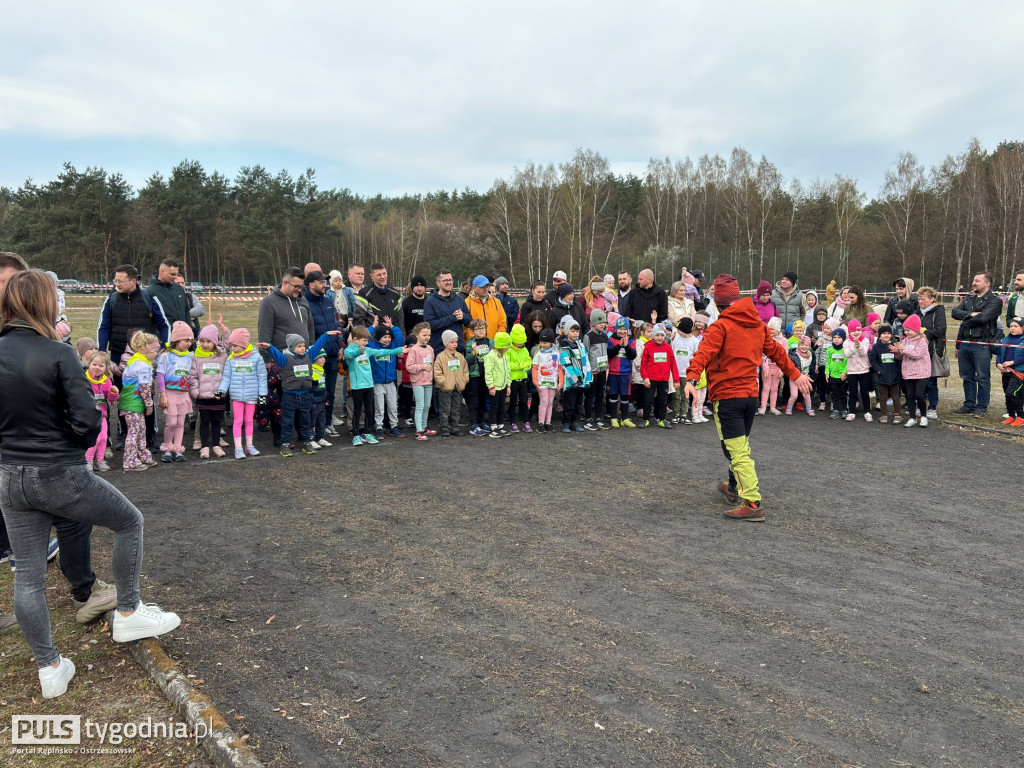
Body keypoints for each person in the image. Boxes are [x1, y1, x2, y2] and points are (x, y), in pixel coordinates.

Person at [0, 270, 180, 699]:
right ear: (45, 304)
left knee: (27, 577)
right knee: (129, 521)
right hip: (57, 469)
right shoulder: (58, 353)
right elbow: (87, 421)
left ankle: (50, 667)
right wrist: (69, 443)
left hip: (9, 474)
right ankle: (129, 610)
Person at [684, 274, 812, 521]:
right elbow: (777, 352)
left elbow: (703, 353)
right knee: (738, 444)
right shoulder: (758, 325)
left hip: (728, 397)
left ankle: (752, 502)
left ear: (718, 303)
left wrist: (690, 379)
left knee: (736, 450)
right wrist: (796, 375)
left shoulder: (720, 327)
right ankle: (733, 487)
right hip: (750, 396)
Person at [97, 264, 169, 450]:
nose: (117, 284)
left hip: (144, 357)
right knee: (123, 398)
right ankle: (125, 436)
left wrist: (162, 347)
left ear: (134, 281)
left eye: (121, 280)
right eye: (115, 280)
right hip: (119, 354)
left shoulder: (149, 298)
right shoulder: (111, 299)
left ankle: (149, 438)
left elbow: (164, 325)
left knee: (145, 395)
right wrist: (102, 350)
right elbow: (103, 326)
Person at [263, 331, 339, 457]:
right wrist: (269, 347)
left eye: (303, 345)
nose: (303, 348)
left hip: (305, 395)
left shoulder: (309, 356)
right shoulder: (284, 359)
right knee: (287, 421)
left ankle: (307, 442)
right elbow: (275, 354)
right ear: (292, 348)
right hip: (289, 396)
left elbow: (317, 346)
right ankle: (285, 444)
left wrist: (326, 335)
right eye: (299, 346)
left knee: (305, 420)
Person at [951, 271, 1002, 417]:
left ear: (987, 283)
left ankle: (981, 407)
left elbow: (983, 318)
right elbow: (954, 312)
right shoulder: (969, 299)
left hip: (982, 343)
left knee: (982, 377)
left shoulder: (995, 301)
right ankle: (969, 404)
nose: (974, 283)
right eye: (974, 280)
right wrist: (970, 314)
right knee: (966, 376)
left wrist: (966, 319)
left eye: (977, 281)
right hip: (965, 343)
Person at [344, 326, 402, 446]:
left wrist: (398, 350)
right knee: (358, 410)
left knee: (370, 410)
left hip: (369, 384)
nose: (366, 343)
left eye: (367, 340)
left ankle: (368, 432)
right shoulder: (349, 350)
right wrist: (358, 351)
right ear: (355, 339)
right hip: (357, 386)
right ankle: (356, 435)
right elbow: (350, 356)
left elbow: (382, 352)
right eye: (364, 341)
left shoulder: (367, 350)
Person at [216, 328, 268, 459]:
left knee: (249, 420)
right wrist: (221, 391)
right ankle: (238, 448)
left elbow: (262, 377)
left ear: (243, 345)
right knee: (238, 420)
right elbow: (226, 377)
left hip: (251, 396)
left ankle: (249, 446)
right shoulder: (230, 359)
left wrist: (262, 395)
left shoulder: (257, 358)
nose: (232, 348)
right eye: (231, 345)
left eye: (235, 345)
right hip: (237, 396)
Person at [303, 270, 342, 433]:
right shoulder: (304, 303)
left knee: (330, 391)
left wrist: (341, 345)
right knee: (316, 391)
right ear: (311, 285)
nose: (324, 284)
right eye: (321, 282)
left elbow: (337, 324)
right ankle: (314, 425)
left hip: (333, 355)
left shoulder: (328, 302)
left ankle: (327, 422)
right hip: (316, 357)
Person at [120, 332, 160, 471]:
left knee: (141, 430)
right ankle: (130, 462)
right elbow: (144, 388)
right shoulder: (143, 366)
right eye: (155, 350)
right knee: (134, 432)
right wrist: (149, 405)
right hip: (133, 403)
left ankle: (143, 456)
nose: (156, 353)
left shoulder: (135, 361)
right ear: (145, 348)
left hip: (133, 403)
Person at [155, 322, 195, 462]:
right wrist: (162, 394)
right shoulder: (166, 356)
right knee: (171, 422)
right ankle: (167, 447)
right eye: (186, 340)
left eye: (191, 340)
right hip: (169, 393)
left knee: (180, 423)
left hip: (183, 394)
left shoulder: (189, 357)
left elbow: (189, 376)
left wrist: (188, 395)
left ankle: (177, 449)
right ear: (176, 340)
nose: (189, 343)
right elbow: (160, 375)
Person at [189, 321, 230, 458]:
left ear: (215, 342)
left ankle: (217, 445)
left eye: (208, 341)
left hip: (218, 396)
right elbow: (193, 376)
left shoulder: (222, 355)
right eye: (202, 341)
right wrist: (196, 392)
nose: (205, 344)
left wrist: (221, 392)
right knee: (204, 422)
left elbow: (225, 375)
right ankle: (205, 446)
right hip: (203, 397)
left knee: (217, 422)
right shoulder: (196, 357)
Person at [369, 321, 404, 439]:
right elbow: (366, 339)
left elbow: (399, 338)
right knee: (379, 407)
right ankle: (379, 427)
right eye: (384, 337)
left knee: (393, 406)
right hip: (378, 382)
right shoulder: (373, 347)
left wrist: (392, 327)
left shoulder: (393, 346)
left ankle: (394, 426)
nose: (387, 339)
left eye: (389, 337)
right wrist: (373, 328)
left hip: (390, 382)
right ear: (378, 338)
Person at [557, 316, 592, 433]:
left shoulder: (581, 345)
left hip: (581, 381)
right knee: (569, 404)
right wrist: (574, 380)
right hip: (571, 382)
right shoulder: (564, 346)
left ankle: (574, 422)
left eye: (577, 331)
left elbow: (586, 362)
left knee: (578, 403)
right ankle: (565, 423)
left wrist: (587, 379)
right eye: (572, 331)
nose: (575, 333)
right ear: (567, 331)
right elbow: (566, 365)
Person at [639, 323, 678, 428]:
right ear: (653, 336)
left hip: (664, 379)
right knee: (648, 399)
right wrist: (645, 377)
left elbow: (673, 365)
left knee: (662, 400)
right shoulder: (648, 347)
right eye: (657, 335)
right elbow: (643, 365)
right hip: (650, 379)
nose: (659, 338)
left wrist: (676, 380)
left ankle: (661, 418)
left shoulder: (668, 348)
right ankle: (646, 419)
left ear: (665, 336)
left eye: (662, 335)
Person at [84, 353, 119, 472]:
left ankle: (99, 460)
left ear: (106, 368)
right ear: (89, 364)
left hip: (102, 415)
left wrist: (114, 393)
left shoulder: (107, 381)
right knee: (96, 438)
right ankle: (88, 460)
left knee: (104, 438)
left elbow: (111, 400)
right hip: (89, 415)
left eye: (101, 365)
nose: (97, 367)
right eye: (94, 364)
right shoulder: (84, 379)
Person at [424, 269, 472, 353]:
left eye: (450, 280)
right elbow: (430, 325)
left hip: (458, 349)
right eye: (445, 280)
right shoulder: (430, 302)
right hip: (440, 350)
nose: (449, 282)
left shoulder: (459, 300)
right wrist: (452, 318)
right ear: (438, 283)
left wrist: (463, 316)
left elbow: (470, 323)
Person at [896, 314, 931, 427]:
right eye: (905, 330)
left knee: (919, 395)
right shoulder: (905, 340)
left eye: (909, 330)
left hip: (921, 373)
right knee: (910, 395)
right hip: (908, 372)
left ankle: (924, 416)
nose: (906, 332)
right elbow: (903, 356)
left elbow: (917, 354)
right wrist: (897, 351)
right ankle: (912, 417)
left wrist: (903, 349)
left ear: (916, 329)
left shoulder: (922, 340)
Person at [917, 286, 947, 419]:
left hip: (932, 350)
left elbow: (940, 330)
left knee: (930, 381)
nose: (920, 302)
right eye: (919, 299)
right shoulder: (917, 312)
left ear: (932, 299)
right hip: (918, 351)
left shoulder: (938, 312)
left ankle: (932, 407)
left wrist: (925, 332)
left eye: (923, 299)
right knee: (919, 381)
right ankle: (920, 406)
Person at [433, 330, 469, 436]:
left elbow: (465, 370)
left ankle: (455, 427)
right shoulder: (441, 357)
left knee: (456, 409)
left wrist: (463, 380)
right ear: (445, 343)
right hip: (445, 389)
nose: (454, 344)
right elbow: (437, 372)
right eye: (452, 342)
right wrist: (444, 383)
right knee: (445, 410)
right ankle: (444, 428)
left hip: (458, 387)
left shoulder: (460, 356)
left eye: (456, 342)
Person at [405, 322, 436, 441]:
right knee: (420, 405)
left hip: (428, 381)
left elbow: (432, 364)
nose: (427, 337)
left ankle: (424, 426)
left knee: (427, 405)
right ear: (417, 335)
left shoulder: (430, 349)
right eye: (424, 335)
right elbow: (409, 366)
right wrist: (422, 367)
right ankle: (418, 431)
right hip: (418, 381)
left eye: (428, 335)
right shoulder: (414, 349)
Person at [355, 263, 405, 334]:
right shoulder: (364, 293)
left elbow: (400, 320)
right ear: (372, 276)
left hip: (393, 339)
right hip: (374, 340)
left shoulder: (395, 293)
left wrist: (402, 339)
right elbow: (359, 320)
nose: (383, 277)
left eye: (384, 273)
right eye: (379, 275)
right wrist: (366, 339)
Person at [482, 331, 513, 438]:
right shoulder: (491, 356)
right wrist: (491, 386)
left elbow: (507, 370)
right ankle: (493, 427)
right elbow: (488, 372)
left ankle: (500, 425)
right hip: (495, 387)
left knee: (501, 407)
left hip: (503, 386)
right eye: (507, 346)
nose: (508, 348)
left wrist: (508, 384)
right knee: (494, 407)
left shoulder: (505, 356)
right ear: (502, 345)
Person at [464, 319, 492, 436]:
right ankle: (474, 424)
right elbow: (468, 361)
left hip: (486, 375)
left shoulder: (491, 342)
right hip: (475, 375)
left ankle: (481, 422)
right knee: (474, 400)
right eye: (478, 329)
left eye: (483, 328)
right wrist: (473, 352)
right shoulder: (470, 343)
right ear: (472, 331)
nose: (481, 331)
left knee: (482, 399)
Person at [870, 325, 903, 424]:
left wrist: (898, 371)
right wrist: (878, 370)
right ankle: (883, 415)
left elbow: (900, 358)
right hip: (882, 376)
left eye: (888, 333)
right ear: (880, 335)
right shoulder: (876, 346)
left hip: (895, 375)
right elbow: (873, 359)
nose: (886, 335)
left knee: (895, 397)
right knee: (883, 397)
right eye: (884, 333)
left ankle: (897, 415)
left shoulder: (895, 345)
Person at [531, 329, 562, 433]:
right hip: (542, 382)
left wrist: (560, 382)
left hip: (552, 382)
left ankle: (548, 422)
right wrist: (535, 382)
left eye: (545, 342)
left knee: (550, 402)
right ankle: (541, 423)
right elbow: (534, 368)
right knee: (544, 402)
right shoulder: (538, 353)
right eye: (541, 342)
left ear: (551, 342)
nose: (542, 345)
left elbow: (559, 368)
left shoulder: (557, 353)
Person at [671, 317, 700, 423]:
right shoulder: (676, 339)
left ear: (685, 330)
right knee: (676, 394)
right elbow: (672, 353)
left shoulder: (694, 341)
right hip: (676, 372)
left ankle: (684, 414)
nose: (677, 331)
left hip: (687, 373)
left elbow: (696, 357)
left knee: (685, 395)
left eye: (679, 330)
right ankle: (676, 413)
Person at [995, 318, 1024, 426]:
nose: (1012, 328)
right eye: (1011, 326)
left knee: (1012, 393)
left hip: (1019, 372)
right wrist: (998, 363)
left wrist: (1013, 362)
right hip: (1006, 371)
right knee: (1007, 394)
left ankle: (1021, 416)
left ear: (1022, 327)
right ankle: (1011, 415)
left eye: (1015, 326)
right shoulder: (1006, 339)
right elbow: (999, 353)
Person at [843, 319, 873, 421]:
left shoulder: (865, 340)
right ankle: (851, 412)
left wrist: (859, 345)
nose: (856, 332)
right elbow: (847, 354)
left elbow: (864, 353)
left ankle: (867, 411)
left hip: (864, 370)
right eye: (854, 331)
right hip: (852, 371)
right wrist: (854, 347)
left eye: (858, 330)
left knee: (865, 392)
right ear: (850, 332)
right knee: (852, 392)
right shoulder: (846, 342)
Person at [507, 324, 534, 432]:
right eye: (519, 342)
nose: (521, 344)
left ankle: (526, 422)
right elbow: (508, 365)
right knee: (513, 402)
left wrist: (525, 365)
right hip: (512, 381)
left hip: (522, 379)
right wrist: (520, 366)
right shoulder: (508, 350)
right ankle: (512, 422)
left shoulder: (524, 350)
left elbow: (529, 361)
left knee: (524, 401)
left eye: (522, 342)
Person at [465, 275, 507, 342]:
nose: (486, 289)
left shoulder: (497, 302)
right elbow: (466, 328)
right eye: (482, 287)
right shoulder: (466, 303)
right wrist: (474, 342)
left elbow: (502, 323)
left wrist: (498, 340)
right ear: (474, 288)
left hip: (494, 345)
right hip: (474, 347)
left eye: (487, 286)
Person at [757, 318, 786, 415]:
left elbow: (785, 355)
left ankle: (773, 407)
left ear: (778, 330)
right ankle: (763, 407)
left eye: (772, 329)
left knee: (774, 388)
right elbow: (763, 354)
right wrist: (765, 368)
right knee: (766, 388)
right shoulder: (765, 339)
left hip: (777, 368)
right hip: (767, 368)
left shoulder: (784, 341)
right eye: (769, 328)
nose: (770, 331)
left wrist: (782, 369)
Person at [786, 336, 816, 416]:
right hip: (795, 378)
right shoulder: (794, 355)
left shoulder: (810, 355)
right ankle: (789, 408)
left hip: (805, 377)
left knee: (806, 394)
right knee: (794, 395)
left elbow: (812, 365)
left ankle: (809, 409)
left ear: (809, 346)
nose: (804, 347)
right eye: (802, 345)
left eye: (806, 345)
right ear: (798, 345)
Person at [825, 327, 849, 419]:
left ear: (843, 339)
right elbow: (828, 362)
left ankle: (844, 409)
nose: (836, 339)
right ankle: (835, 409)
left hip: (843, 376)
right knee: (834, 394)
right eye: (834, 337)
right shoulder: (830, 350)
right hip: (833, 376)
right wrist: (827, 373)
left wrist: (845, 372)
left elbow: (848, 362)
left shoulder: (845, 350)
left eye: (839, 337)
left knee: (843, 393)